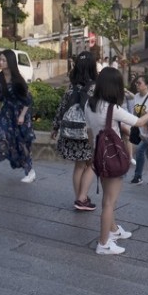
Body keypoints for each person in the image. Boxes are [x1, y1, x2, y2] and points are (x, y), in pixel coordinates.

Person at [85, 67, 148, 254]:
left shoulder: (90, 104)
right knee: (109, 202)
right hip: (113, 156)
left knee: (106, 197)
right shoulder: (112, 108)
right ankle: (104, 243)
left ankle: (113, 230)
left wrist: (92, 152)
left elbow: (88, 131)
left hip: (98, 154)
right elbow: (139, 122)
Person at [50, 50, 97, 212]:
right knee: (92, 163)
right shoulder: (95, 87)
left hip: (70, 131)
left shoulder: (72, 87)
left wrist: (55, 127)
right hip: (87, 133)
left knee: (79, 165)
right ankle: (82, 198)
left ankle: (79, 197)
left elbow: (62, 108)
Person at [0, 50, 36, 183]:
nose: (0, 62)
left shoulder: (18, 79)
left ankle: (30, 171)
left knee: (21, 144)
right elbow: (0, 96)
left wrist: (22, 116)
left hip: (20, 112)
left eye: (3, 60)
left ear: (10, 62)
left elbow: (28, 100)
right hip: (6, 111)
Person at [128, 75, 148, 186]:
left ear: (147, 85)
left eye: (139, 83)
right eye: (136, 83)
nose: (137, 85)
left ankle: (138, 176)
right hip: (142, 132)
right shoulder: (136, 96)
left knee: (140, 151)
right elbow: (136, 113)